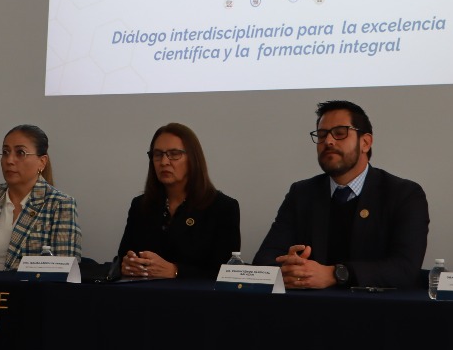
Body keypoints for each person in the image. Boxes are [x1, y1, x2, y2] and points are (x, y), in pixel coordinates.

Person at [254, 99, 428, 289]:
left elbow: (404, 269)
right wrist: (289, 270)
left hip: (374, 306)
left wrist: (335, 274)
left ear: (365, 142)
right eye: (322, 135)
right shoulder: (302, 194)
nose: (328, 141)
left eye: (339, 133)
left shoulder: (404, 195)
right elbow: (264, 260)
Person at [115, 123, 240, 279]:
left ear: (192, 159)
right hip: (143, 292)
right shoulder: (140, 205)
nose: (164, 162)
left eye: (174, 154)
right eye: (157, 154)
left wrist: (175, 271)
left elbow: (226, 273)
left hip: (196, 294)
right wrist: (126, 266)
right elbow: (122, 258)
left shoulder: (222, 208)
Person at [0, 124, 80, 269]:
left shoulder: (60, 204)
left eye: (20, 153)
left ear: (42, 162)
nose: (9, 160)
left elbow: (63, 270)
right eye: (5, 152)